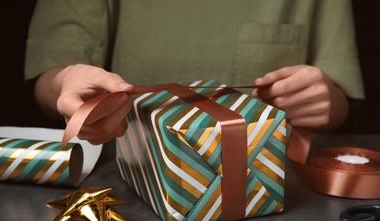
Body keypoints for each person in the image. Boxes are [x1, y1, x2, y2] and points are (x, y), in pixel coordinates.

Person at [25, 0, 364, 145]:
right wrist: (64, 81)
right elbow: (50, 76)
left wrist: (327, 101)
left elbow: (338, 101)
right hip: (129, 173)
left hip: (271, 181)